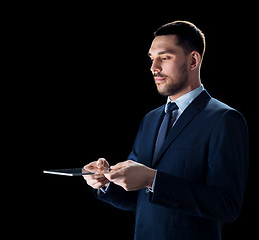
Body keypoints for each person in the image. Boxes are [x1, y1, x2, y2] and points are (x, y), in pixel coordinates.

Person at [82, 21, 249, 240]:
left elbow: (226, 205)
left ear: (193, 60)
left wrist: (153, 179)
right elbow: (137, 197)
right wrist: (106, 183)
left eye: (165, 57)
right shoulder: (150, 119)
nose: (154, 68)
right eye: (152, 58)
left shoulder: (225, 119)